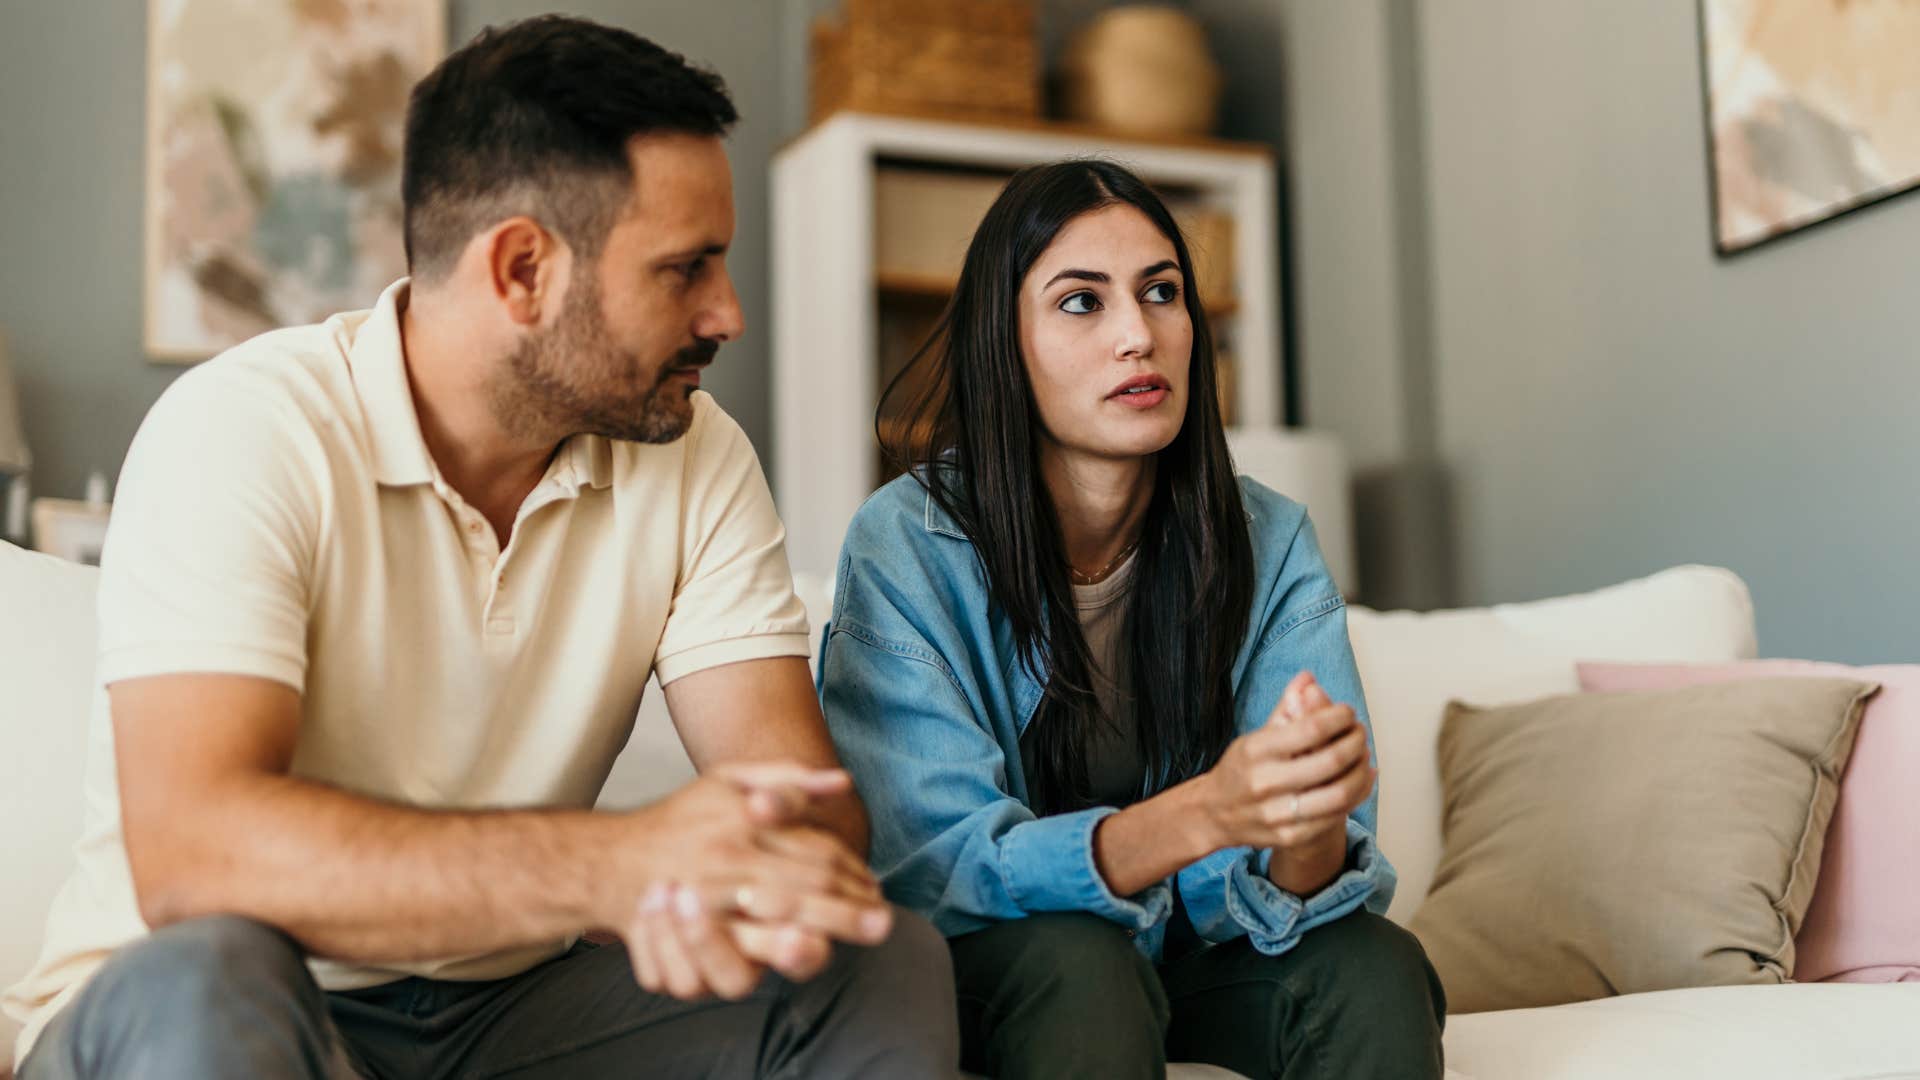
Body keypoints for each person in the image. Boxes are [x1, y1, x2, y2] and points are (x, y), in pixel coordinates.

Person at [5, 16, 956, 1080]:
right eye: (685, 270)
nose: (726, 313)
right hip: (216, 1002)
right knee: (211, 974)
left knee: (875, 963)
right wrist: (606, 866)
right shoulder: (243, 428)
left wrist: (716, 886)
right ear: (521, 271)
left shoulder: (694, 453)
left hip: (508, 1018)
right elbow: (199, 857)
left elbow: (809, 827)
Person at [816, 160, 1446, 1080]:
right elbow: (932, 868)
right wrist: (1202, 814)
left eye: (1162, 293)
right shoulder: (905, 544)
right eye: (1082, 303)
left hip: (1185, 961)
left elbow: (1298, 895)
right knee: (1082, 962)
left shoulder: (1268, 538)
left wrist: (1305, 824)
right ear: (1006, 341)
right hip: (997, 964)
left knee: (1374, 965)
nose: (1138, 336)